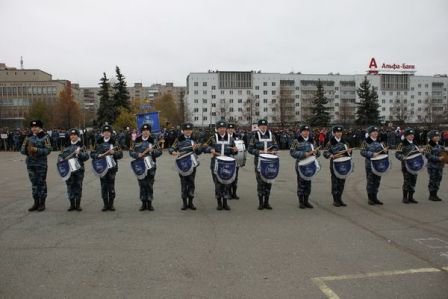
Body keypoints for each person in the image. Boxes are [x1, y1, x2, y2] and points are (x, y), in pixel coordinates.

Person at [204, 120, 238, 211]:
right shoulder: (212, 137)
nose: (222, 129)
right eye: (220, 128)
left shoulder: (230, 138)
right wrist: (210, 149)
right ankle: (219, 203)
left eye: (223, 128)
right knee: (218, 184)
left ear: (226, 128)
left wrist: (235, 150)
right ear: (217, 129)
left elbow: (234, 150)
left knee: (227, 183)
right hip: (216, 163)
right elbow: (204, 146)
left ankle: (225, 203)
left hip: (227, 164)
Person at [169, 122, 203, 210]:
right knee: (184, 183)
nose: (188, 132)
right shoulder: (179, 139)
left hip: (192, 163)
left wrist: (197, 148)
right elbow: (171, 148)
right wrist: (173, 151)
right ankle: (184, 203)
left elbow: (199, 151)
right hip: (182, 164)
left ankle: (191, 202)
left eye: (189, 130)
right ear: (183, 131)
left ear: (192, 130)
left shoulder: (195, 138)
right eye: (186, 130)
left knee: (191, 182)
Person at [20, 120, 52, 212]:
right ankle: (36, 202)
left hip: (41, 164)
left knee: (41, 183)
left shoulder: (44, 137)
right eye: (32, 127)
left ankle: (42, 203)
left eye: (36, 127)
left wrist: (36, 149)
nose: (34, 128)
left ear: (40, 128)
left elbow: (48, 150)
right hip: (30, 164)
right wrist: (27, 150)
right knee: (34, 183)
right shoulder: (28, 137)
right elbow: (22, 149)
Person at [129, 123, 162, 211]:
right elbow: (131, 152)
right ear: (141, 132)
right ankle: (143, 203)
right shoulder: (136, 140)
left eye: (147, 130)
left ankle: (150, 203)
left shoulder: (153, 140)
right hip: (140, 165)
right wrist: (137, 154)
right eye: (144, 131)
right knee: (142, 184)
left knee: (150, 184)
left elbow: (159, 152)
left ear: (150, 132)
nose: (145, 132)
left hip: (151, 165)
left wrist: (152, 152)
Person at [90, 124, 123, 211]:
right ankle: (105, 204)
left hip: (112, 168)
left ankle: (111, 204)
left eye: (108, 132)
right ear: (102, 133)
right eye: (105, 132)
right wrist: (98, 155)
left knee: (111, 186)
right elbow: (92, 154)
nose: (107, 133)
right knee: (103, 186)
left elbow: (120, 155)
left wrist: (114, 153)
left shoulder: (115, 142)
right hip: (102, 167)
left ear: (111, 133)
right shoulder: (98, 142)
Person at [248, 119, 279, 210]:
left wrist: (273, 151)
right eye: (261, 126)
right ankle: (261, 203)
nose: (263, 127)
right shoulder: (255, 136)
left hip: (270, 162)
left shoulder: (271, 135)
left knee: (269, 182)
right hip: (259, 162)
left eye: (265, 125)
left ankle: (267, 202)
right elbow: (250, 149)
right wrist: (259, 151)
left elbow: (276, 146)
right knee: (261, 183)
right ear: (258, 126)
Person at [290, 124, 320, 209]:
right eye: (304, 131)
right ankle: (301, 201)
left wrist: (316, 153)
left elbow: (318, 152)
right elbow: (292, 152)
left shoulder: (312, 141)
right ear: (301, 132)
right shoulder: (296, 141)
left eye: (307, 131)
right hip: (300, 164)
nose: (306, 132)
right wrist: (304, 154)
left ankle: (306, 201)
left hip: (310, 164)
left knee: (308, 183)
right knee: (301, 183)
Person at [58, 128, 89, 211]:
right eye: (71, 135)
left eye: (75, 135)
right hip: (69, 170)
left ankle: (78, 204)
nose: (73, 136)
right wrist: (60, 159)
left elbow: (86, 157)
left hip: (79, 170)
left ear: (78, 136)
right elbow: (61, 156)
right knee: (70, 187)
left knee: (78, 186)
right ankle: (72, 204)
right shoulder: (66, 146)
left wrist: (80, 154)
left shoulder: (81, 146)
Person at [323, 125, 352, 207]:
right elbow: (325, 153)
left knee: (342, 182)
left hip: (344, 164)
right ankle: (335, 200)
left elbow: (348, 153)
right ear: (334, 133)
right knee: (335, 182)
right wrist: (331, 156)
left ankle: (340, 199)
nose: (339, 134)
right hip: (335, 164)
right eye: (337, 132)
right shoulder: (330, 142)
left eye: (340, 132)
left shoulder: (345, 142)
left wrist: (349, 151)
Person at [395, 128, 423, 204]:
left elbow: (418, 154)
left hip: (415, 165)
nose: (412, 136)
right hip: (406, 166)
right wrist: (402, 157)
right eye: (410, 135)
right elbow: (397, 154)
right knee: (407, 181)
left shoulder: (415, 143)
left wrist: (421, 151)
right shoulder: (402, 144)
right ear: (406, 136)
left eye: (412, 135)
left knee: (413, 181)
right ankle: (404, 197)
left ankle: (411, 197)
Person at [360, 126, 387, 205]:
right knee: (370, 182)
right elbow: (362, 152)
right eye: (373, 132)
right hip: (370, 165)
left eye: (376, 132)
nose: (375, 133)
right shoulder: (366, 142)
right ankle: (370, 198)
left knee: (377, 181)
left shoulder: (381, 142)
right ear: (370, 133)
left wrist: (385, 151)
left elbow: (384, 153)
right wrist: (371, 154)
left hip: (379, 164)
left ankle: (375, 198)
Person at [424, 130, 445, 201]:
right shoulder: (429, 145)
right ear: (431, 137)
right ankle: (432, 195)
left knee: (438, 180)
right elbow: (427, 155)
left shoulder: (440, 145)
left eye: (438, 136)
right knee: (433, 180)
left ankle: (435, 194)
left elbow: (444, 155)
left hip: (440, 166)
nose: (437, 137)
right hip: (432, 166)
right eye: (435, 136)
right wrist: (438, 158)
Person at [227, 123, 242, 199]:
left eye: (232, 128)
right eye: (229, 128)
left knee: (235, 176)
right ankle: (229, 193)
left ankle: (234, 193)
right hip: (228, 159)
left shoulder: (237, 137)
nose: (230, 130)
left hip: (236, 158)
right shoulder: (225, 137)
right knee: (229, 176)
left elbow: (242, 146)